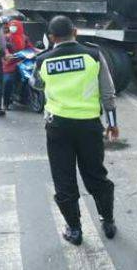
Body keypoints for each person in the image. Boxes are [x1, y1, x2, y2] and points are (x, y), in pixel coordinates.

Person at [32, 15, 119, 246]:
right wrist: (112, 122)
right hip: (89, 126)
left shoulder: (43, 60)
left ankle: (75, 230)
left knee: (64, 179)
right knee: (96, 175)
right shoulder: (93, 55)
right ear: (76, 32)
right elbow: (108, 93)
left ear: (51, 37)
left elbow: (36, 85)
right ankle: (108, 221)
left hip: (58, 128)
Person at [2, 19, 34, 110]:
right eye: (11, 26)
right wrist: (7, 54)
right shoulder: (6, 37)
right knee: (8, 81)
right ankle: (5, 103)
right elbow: (4, 48)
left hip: (23, 62)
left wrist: (37, 51)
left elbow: (30, 48)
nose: (12, 28)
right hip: (9, 63)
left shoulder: (24, 38)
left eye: (15, 26)